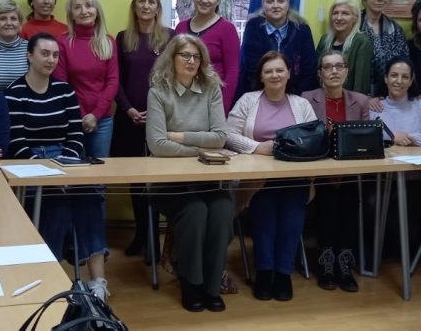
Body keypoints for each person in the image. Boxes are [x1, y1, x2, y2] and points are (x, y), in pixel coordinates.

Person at [5, 33, 109, 301]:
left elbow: (75, 135)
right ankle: (49, 279)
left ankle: (98, 282)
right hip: (31, 164)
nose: (51, 60)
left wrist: (66, 168)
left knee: (91, 196)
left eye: (55, 55)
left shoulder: (65, 90)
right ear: (29, 56)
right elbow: (17, 142)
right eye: (44, 54)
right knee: (58, 205)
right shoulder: (15, 92)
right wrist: (47, 173)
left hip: (66, 159)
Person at [145, 34, 231, 313]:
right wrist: (201, 150)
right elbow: (157, 145)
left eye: (196, 56)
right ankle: (191, 283)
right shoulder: (158, 91)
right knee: (194, 211)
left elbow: (220, 137)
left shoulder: (211, 88)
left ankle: (211, 286)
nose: (191, 61)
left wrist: (179, 136)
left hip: (208, 178)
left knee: (223, 208)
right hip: (168, 182)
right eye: (185, 55)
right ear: (172, 58)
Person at [225, 51, 317, 302]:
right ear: (261, 77)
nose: (274, 75)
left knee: (292, 212)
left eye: (279, 70)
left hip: (293, 175)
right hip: (256, 177)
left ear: (288, 74)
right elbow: (228, 134)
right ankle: (265, 272)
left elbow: (313, 137)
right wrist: (257, 147)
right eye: (268, 71)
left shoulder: (301, 104)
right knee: (264, 209)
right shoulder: (248, 100)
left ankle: (284, 273)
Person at [301, 51, 369, 293]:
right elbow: (306, 139)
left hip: (350, 170)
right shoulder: (307, 99)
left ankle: (345, 264)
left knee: (350, 200)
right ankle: (326, 264)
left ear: (347, 71)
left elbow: (364, 141)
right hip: (318, 169)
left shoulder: (360, 101)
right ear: (320, 73)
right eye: (328, 67)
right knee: (328, 201)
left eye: (339, 66)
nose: (334, 71)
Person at [114, 0, 172, 256]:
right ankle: (140, 235)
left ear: (158, 7)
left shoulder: (169, 38)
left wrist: (158, 113)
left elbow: (173, 79)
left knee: (155, 180)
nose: (146, 6)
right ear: (134, 5)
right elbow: (115, 80)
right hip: (129, 119)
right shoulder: (123, 38)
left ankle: (153, 240)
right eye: (142, 1)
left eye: (151, 2)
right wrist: (128, 109)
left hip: (160, 121)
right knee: (136, 180)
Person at [55, 0, 118, 159]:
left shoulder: (108, 42)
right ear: (71, 14)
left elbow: (113, 81)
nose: (84, 11)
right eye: (77, 7)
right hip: (73, 118)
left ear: (97, 10)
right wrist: (82, 115)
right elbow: (62, 84)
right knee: (75, 171)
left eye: (89, 6)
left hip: (102, 119)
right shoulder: (63, 42)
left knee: (100, 172)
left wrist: (96, 115)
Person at [237, 0, 318, 101]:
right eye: (270, 1)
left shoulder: (302, 30)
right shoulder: (253, 27)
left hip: (296, 97)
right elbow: (252, 70)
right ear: (263, 4)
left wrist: (296, 101)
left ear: (288, 3)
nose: (275, 5)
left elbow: (309, 70)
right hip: (258, 95)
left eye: (280, 1)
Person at [174, 0, 240, 114]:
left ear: (218, 1)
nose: (205, 0)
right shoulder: (180, 27)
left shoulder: (227, 29)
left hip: (212, 103)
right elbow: (173, 65)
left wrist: (222, 108)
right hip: (181, 102)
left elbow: (233, 71)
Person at [359, 0, 408, 96]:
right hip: (357, 94)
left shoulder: (395, 29)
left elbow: (404, 63)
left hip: (389, 95)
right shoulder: (354, 25)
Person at [316, 0, 372, 94]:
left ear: (355, 18)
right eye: (335, 13)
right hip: (324, 96)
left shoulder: (362, 42)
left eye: (345, 13)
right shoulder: (325, 39)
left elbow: (360, 83)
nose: (339, 18)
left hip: (349, 99)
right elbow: (317, 72)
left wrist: (354, 102)